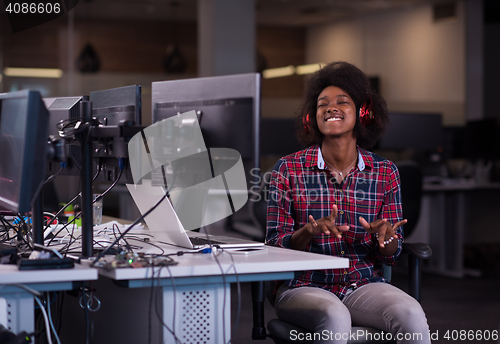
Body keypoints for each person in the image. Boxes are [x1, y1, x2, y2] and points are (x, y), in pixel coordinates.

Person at [266, 61, 430, 344]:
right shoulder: (288, 169)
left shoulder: (385, 172)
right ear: (312, 116)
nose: (331, 108)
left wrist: (385, 238)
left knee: (410, 313)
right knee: (334, 315)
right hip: (302, 285)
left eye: (342, 101)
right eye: (322, 104)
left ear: (362, 113)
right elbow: (272, 247)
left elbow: (392, 253)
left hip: (362, 284)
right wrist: (308, 232)